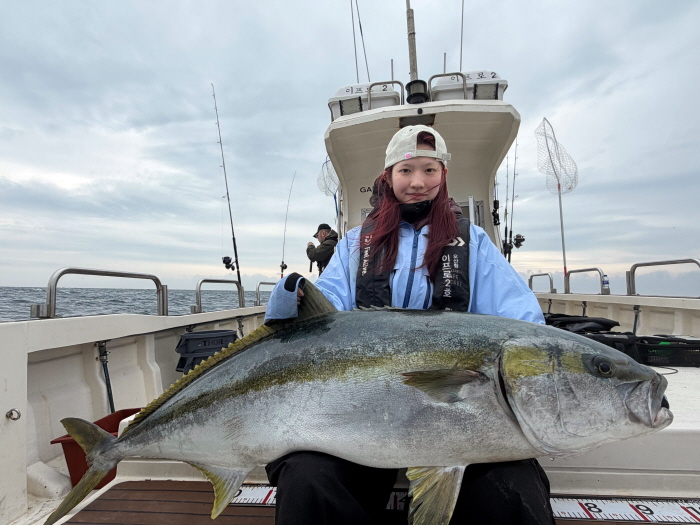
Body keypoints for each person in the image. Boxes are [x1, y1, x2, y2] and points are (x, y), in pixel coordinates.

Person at [265, 125, 554, 525]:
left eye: (429, 170)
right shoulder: (355, 243)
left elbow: (520, 325)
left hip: (460, 417)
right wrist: (291, 297)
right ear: (388, 177)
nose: (418, 182)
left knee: (510, 491)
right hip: (363, 414)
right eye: (406, 171)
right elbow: (325, 317)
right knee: (309, 479)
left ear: (443, 175)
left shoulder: (473, 242)